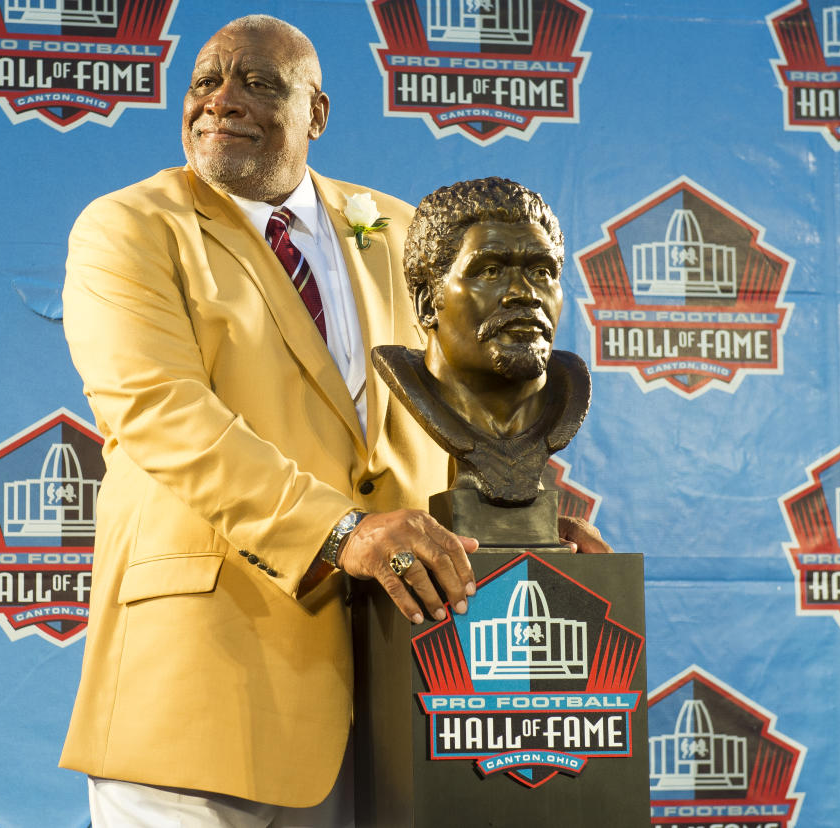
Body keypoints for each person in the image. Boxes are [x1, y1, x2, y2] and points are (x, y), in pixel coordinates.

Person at [58, 14, 484, 826]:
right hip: (199, 679)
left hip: (392, 694)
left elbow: (456, 414)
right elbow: (162, 414)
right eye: (205, 82)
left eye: (258, 82)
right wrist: (344, 531)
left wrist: (524, 518)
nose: (223, 101)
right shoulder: (129, 228)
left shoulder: (400, 230)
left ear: (317, 114)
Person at [373, 177, 592, 507]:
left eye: (542, 272)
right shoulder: (401, 387)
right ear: (427, 303)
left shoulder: (569, 391)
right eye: (490, 270)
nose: (526, 293)